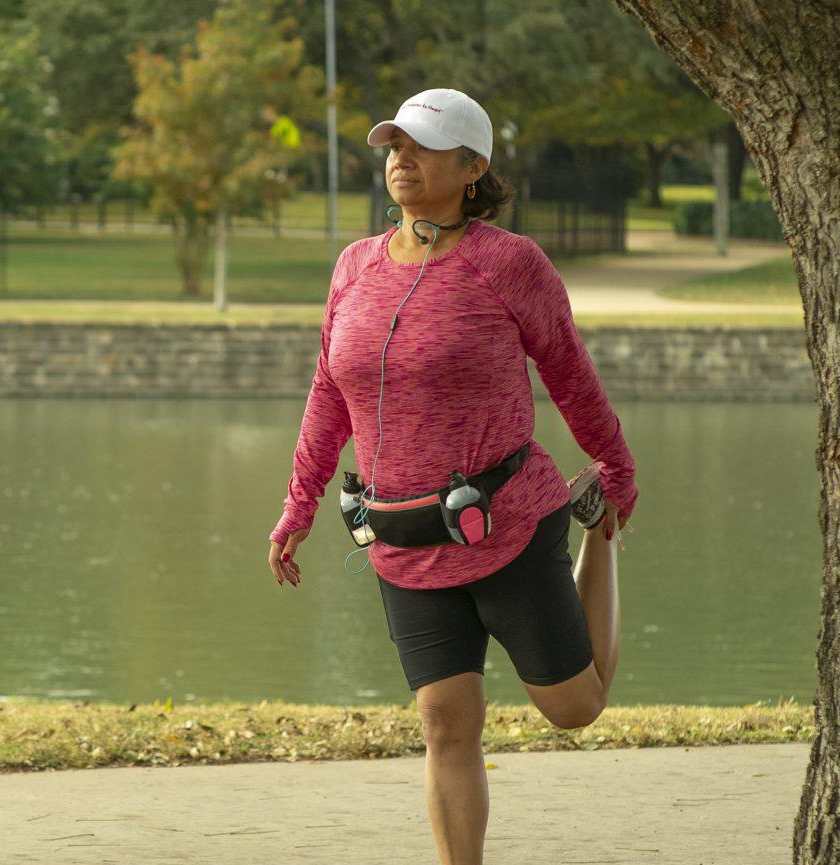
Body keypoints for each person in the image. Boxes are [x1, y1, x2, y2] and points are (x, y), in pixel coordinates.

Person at [264, 88, 637, 865]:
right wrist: (297, 505)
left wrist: (614, 471)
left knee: (573, 708)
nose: (401, 158)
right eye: (394, 145)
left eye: (422, 146)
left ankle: (596, 536)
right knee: (444, 720)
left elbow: (569, 372)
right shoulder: (354, 267)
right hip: (402, 533)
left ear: (473, 168)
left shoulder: (509, 264)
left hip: (510, 521)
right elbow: (328, 390)